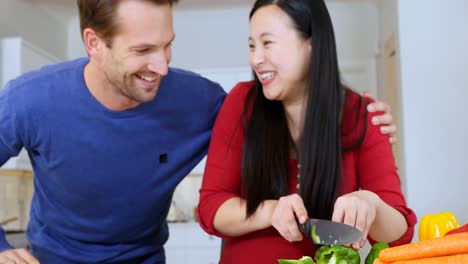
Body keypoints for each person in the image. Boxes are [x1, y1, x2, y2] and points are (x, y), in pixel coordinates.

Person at [0, 0, 397, 263]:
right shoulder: (29, 100)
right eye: (142, 51)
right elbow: (214, 205)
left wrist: (365, 121)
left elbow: (273, 116)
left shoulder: (203, 101)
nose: (162, 66)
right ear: (94, 43)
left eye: (167, 46)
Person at [197, 0, 417, 263]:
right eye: (252, 45)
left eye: (267, 43)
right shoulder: (241, 103)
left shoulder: (363, 115)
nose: (255, 58)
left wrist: (371, 203)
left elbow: (401, 234)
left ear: (311, 44)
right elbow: (210, 208)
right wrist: (271, 211)